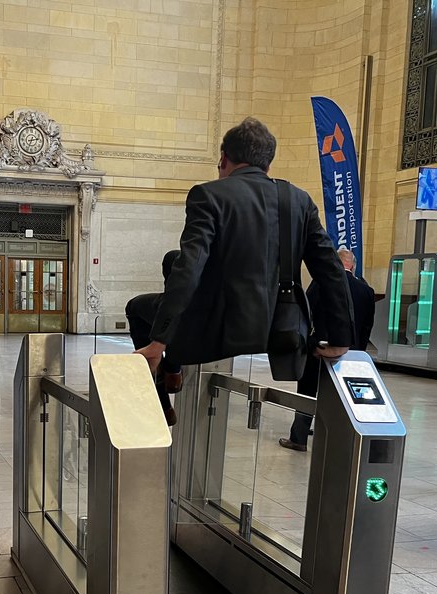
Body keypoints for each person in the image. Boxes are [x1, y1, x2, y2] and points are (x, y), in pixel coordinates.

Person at [135, 117, 353, 379]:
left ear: (224, 158)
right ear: (268, 164)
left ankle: (166, 382)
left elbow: (189, 269)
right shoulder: (297, 199)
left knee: (136, 307)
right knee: (173, 259)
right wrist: (341, 337)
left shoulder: (208, 195)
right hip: (280, 330)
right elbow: (330, 269)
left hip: (220, 332)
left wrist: (160, 340)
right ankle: (171, 369)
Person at [279, 249, 375, 452]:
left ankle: (299, 438)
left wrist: (310, 345)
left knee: (307, 392)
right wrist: (357, 352)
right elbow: (366, 327)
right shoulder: (366, 291)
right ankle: (341, 437)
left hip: (319, 351)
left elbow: (306, 315)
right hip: (350, 355)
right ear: (353, 266)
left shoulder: (321, 284)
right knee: (344, 395)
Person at [126, 250, 182, 425]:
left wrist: (157, 344)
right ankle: (173, 372)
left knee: (133, 306)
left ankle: (165, 406)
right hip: (211, 313)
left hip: (181, 307)